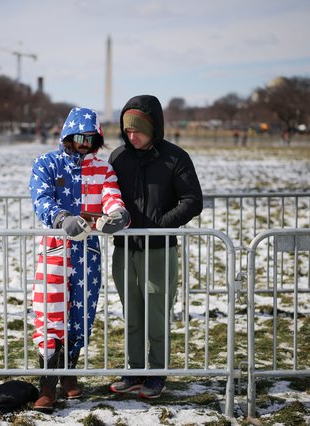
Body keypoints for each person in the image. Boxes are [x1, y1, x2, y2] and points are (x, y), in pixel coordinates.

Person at [29, 107, 130, 411]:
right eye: (80, 136)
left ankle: (69, 373)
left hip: (89, 253)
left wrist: (116, 212)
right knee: (50, 314)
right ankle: (47, 384)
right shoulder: (47, 163)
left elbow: (110, 194)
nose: (85, 142)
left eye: (91, 138)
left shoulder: (103, 168)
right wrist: (60, 217)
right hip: (55, 252)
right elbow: (41, 197)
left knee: (82, 316)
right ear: (68, 134)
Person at [107, 95, 203, 399]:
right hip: (125, 250)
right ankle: (134, 370)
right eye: (127, 130)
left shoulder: (175, 157)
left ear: (153, 127)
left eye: (138, 130)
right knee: (132, 312)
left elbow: (192, 200)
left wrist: (161, 225)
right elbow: (106, 194)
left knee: (157, 314)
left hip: (159, 250)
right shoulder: (118, 157)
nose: (131, 136)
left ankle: (156, 373)